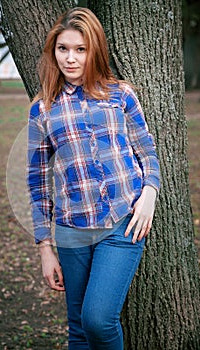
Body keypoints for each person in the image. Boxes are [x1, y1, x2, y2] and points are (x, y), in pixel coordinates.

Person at [27, 7, 160, 350]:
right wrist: (45, 248)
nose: (70, 59)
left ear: (94, 50)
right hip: (72, 232)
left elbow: (147, 151)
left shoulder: (121, 95)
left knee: (98, 320)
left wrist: (150, 193)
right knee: (78, 330)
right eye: (63, 49)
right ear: (53, 51)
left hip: (122, 224)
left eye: (80, 49)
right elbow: (38, 179)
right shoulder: (42, 109)